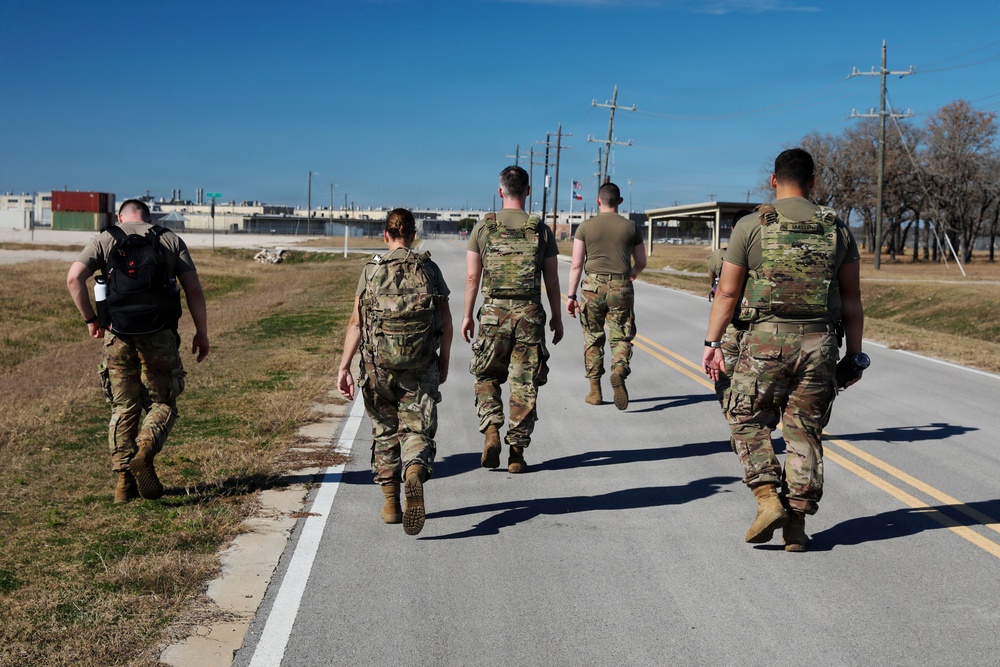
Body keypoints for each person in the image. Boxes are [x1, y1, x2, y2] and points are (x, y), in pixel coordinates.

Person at [702, 148, 864, 552]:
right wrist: (855, 355)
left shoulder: (751, 225)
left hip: (765, 342)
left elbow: (727, 292)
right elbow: (852, 299)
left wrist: (712, 342)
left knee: (745, 417)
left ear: (773, 180)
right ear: (813, 181)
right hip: (820, 344)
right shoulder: (836, 228)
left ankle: (767, 497)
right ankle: (796, 525)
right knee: (804, 431)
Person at [66, 199, 209, 504]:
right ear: (147, 215)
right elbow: (193, 290)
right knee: (163, 402)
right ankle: (145, 450)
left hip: (118, 335)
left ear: (121, 216)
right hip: (160, 334)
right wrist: (202, 332)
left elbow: (73, 279)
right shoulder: (169, 239)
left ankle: (123, 483)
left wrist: (91, 319)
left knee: (124, 407)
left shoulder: (105, 239)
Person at [337, 208, 452, 536]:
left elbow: (356, 324)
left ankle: (390, 504)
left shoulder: (371, 271)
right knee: (417, 430)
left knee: (385, 431)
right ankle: (413, 470)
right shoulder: (428, 268)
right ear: (413, 235)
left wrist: (344, 366)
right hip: (420, 366)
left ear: (385, 235)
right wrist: (444, 361)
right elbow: (445, 322)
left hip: (378, 368)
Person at [463, 165, 563, 474]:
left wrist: (467, 315)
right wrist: (557, 317)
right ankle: (516, 454)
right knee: (524, 384)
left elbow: (471, 277)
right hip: (529, 316)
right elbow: (552, 279)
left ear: (500, 191)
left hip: (493, 315)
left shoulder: (483, 227)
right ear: (528, 191)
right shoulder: (540, 229)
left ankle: (491, 429)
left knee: (486, 376)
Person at [565, 181, 646, 409]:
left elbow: (577, 265)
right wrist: (631, 274)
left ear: (598, 201)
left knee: (593, 337)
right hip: (620, 285)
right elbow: (641, 262)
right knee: (620, 335)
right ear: (619, 202)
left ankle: (594, 391)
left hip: (592, 287)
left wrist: (571, 296)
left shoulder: (585, 227)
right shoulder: (631, 227)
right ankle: (619, 368)